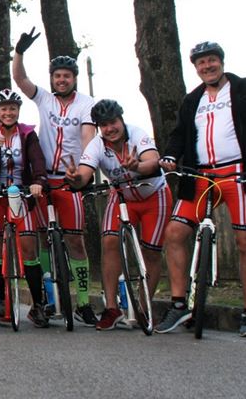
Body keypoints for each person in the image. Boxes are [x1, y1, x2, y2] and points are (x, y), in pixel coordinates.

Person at [156, 37, 246, 338]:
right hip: (201, 177)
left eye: (212, 60)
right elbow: (179, 135)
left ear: (222, 61)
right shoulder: (191, 100)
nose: (207, 66)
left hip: (237, 172)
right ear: (195, 68)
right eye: (201, 62)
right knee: (174, 233)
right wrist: (170, 155)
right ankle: (179, 304)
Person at [12, 27, 99, 325]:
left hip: (70, 179)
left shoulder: (87, 103)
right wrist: (19, 52)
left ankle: (84, 302)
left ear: (73, 78)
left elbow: (88, 138)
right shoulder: (45, 99)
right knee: (42, 239)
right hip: (42, 179)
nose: (61, 79)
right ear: (52, 78)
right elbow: (20, 81)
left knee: (76, 240)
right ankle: (49, 299)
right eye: (57, 76)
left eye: (66, 76)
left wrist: (85, 170)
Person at [64, 99, 168, 331]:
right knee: (109, 241)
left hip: (154, 196)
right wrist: (75, 179)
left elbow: (153, 161)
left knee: (151, 252)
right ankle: (111, 308)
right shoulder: (97, 145)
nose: (110, 129)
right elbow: (84, 174)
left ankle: (143, 308)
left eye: (113, 122)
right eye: (104, 125)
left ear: (121, 120)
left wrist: (137, 167)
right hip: (123, 197)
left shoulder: (137, 134)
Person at [0, 89, 49, 328]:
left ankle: (38, 304)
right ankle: (0, 299)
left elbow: (37, 159)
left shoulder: (28, 133)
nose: (8, 112)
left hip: (22, 195)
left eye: (12, 108)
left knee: (29, 248)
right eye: (3, 109)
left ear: (18, 111)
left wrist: (39, 181)